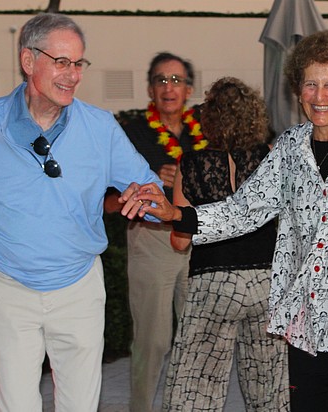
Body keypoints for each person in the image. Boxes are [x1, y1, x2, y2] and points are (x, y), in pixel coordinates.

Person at [122, 30, 328, 412]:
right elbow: (243, 210)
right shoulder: (290, 147)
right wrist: (176, 214)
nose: (319, 96)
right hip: (310, 318)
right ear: (298, 90)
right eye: (310, 84)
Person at [0, 13, 161, 411]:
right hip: (6, 289)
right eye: (61, 62)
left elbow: (150, 187)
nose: (73, 75)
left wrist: (147, 198)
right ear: (28, 61)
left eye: (79, 63)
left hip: (79, 289)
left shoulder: (100, 127)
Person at [163, 76, 288, 411]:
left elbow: (179, 241)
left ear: (210, 119)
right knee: (270, 388)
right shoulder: (270, 156)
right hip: (266, 282)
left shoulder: (189, 164)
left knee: (196, 388)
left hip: (212, 284)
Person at [104, 52, 207, 412]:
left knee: (198, 336)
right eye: (162, 80)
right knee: (153, 340)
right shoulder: (132, 133)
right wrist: (143, 186)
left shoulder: (205, 131)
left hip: (199, 240)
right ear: (150, 88)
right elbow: (107, 201)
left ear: (189, 89)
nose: (169, 87)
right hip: (152, 240)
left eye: (176, 80)